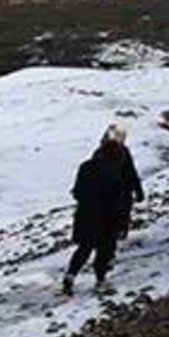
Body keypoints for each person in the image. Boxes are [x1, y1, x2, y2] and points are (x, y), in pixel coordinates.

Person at [64, 124, 145, 295]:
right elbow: (121, 200)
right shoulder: (116, 174)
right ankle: (100, 280)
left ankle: (70, 275)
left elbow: (78, 192)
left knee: (84, 248)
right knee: (104, 250)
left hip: (86, 215)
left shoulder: (86, 166)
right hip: (108, 219)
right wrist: (123, 223)